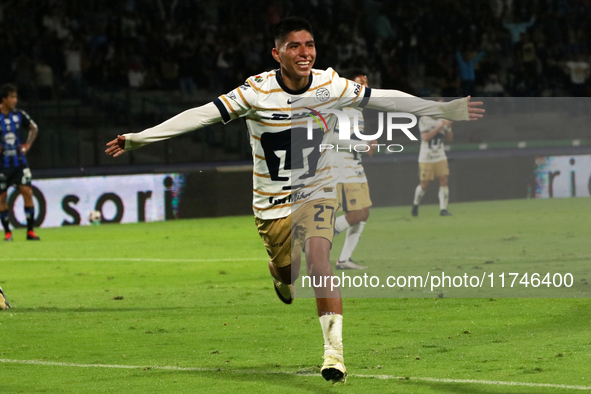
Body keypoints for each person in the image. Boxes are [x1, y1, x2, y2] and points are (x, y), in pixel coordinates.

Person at [106, 17, 484, 383]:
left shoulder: (329, 85)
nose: (305, 52)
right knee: (290, 270)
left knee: (321, 258)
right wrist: (139, 138)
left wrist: (442, 109)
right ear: (277, 54)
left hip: (316, 188)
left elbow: (383, 99)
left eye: (310, 44)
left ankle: (333, 352)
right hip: (271, 203)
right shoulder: (254, 93)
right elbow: (201, 115)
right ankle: (280, 276)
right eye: (294, 46)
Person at [332, 69, 374, 270]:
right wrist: (363, 145)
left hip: (355, 167)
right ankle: (318, 237)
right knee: (357, 214)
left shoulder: (357, 110)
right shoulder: (343, 108)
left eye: (366, 83)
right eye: (360, 83)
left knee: (363, 213)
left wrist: (366, 141)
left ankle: (344, 260)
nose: (365, 87)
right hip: (343, 168)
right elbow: (333, 139)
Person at [0, 84, 40, 241]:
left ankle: (30, 231)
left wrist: (28, 144)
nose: (15, 101)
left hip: (19, 162)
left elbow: (34, 128)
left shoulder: (19, 115)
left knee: (27, 192)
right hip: (2, 164)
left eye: (16, 97)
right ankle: (7, 233)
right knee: (2, 197)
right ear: (4, 99)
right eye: (12, 97)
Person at [411, 109, 453, 217]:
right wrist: (440, 126)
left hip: (440, 156)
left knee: (443, 180)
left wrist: (448, 127)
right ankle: (415, 205)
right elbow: (426, 137)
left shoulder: (444, 120)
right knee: (424, 185)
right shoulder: (424, 119)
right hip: (426, 157)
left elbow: (449, 139)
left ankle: (443, 209)